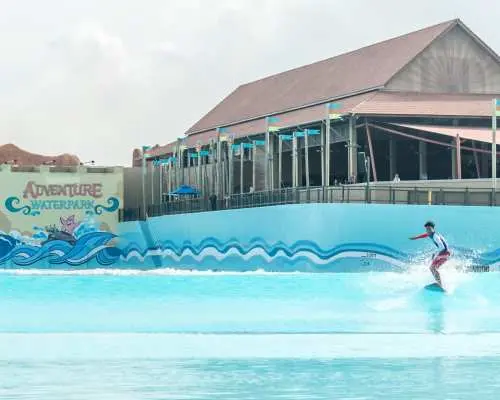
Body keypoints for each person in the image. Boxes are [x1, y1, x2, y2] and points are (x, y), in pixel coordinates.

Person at [409, 221, 450, 287]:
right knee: (434, 268)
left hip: (444, 253)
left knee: (432, 268)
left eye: (429, 229)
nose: (428, 230)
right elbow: (425, 235)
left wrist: (435, 254)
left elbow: (442, 247)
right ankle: (440, 283)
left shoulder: (435, 236)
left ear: (433, 228)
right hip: (447, 254)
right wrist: (416, 237)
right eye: (427, 229)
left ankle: (440, 284)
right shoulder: (431, 234)